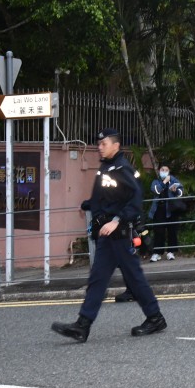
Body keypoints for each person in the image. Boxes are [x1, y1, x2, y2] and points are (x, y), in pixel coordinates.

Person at [52, 128, 166, 342]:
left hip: (118, 235)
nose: (99, 147)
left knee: (133, 278)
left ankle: (155, 317)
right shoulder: (107, 167)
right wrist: (89, 205)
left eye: (104, 144)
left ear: (116, 145)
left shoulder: (122, 168)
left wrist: (116, 220)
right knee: (98, 280)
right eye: (99, 143)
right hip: (107, 237)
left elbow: (135, 200)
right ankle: (82, 326)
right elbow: (108, 198)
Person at [148, 164, 185, 262]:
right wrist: (164, 182)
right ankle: (157, 253)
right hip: (159, 209)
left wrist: (176, 190)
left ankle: (171, 252)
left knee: (172, 230)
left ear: (169, 171)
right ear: (159, 171)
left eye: (166, 169)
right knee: (158, 231)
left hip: (171, 209)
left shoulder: (173, 180)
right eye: (162, 169)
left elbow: (181, 191)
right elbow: (156, 190)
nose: (164, 171)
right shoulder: (156, 181)